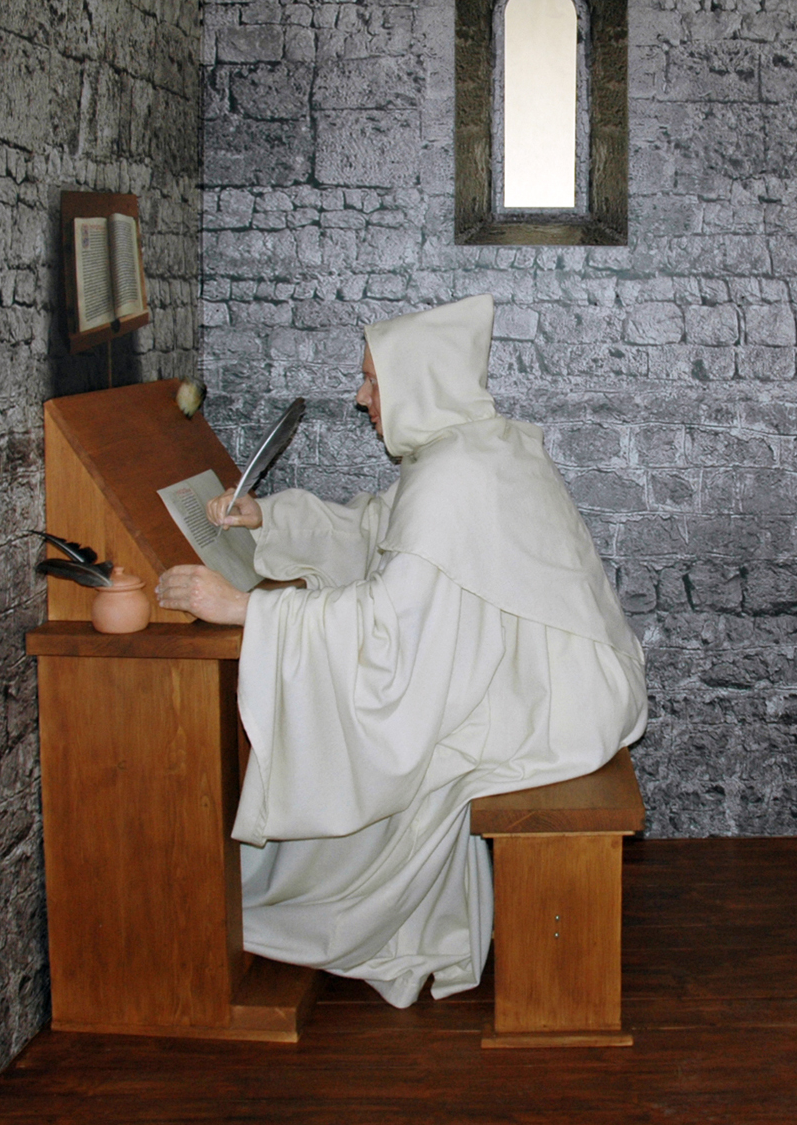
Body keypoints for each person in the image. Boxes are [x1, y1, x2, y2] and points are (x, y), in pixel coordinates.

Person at [156, 294, 647, 1007]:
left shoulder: (457, 474)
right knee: (367, 731)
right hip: (547, 677)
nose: (361, 398)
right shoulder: (469, 445)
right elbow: (378, 530)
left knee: (385, 761)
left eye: (371, 381)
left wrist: (246, 610)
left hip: (551, 705)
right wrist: (270, 520)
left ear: (419, 381)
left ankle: (305, 917)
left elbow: (388, 628)